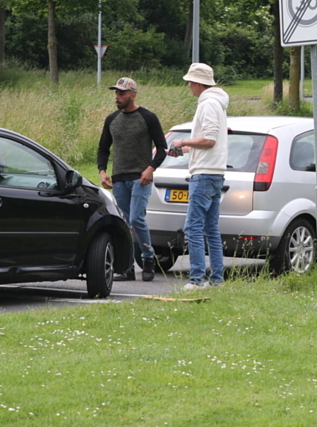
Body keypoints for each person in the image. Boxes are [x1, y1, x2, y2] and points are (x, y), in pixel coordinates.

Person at [97, 77, 169, 282]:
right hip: (119, 179)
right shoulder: (112, 120)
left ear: (133, 95)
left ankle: (148, 259)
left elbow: (162, 148)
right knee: (125, 222)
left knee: (137, 218)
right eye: (116, 93)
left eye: (121, 93)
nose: (117, 97)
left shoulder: (148, 117)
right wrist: (102, 171)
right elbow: (103, 148)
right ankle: (127, 266)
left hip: (141, 177)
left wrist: (150, 169)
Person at [168, 63, 229, 289]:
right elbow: (207, 144)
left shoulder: (208, 104)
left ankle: (196, 280)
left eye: (190, 82)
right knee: (211, 229)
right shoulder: (217, 103)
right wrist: (181, 151)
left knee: (193, 228)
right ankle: (216, 279)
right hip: (214, 173)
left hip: (203, 176)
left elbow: (209, 140)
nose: (188, 86)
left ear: (198, 83)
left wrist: (183, 141)